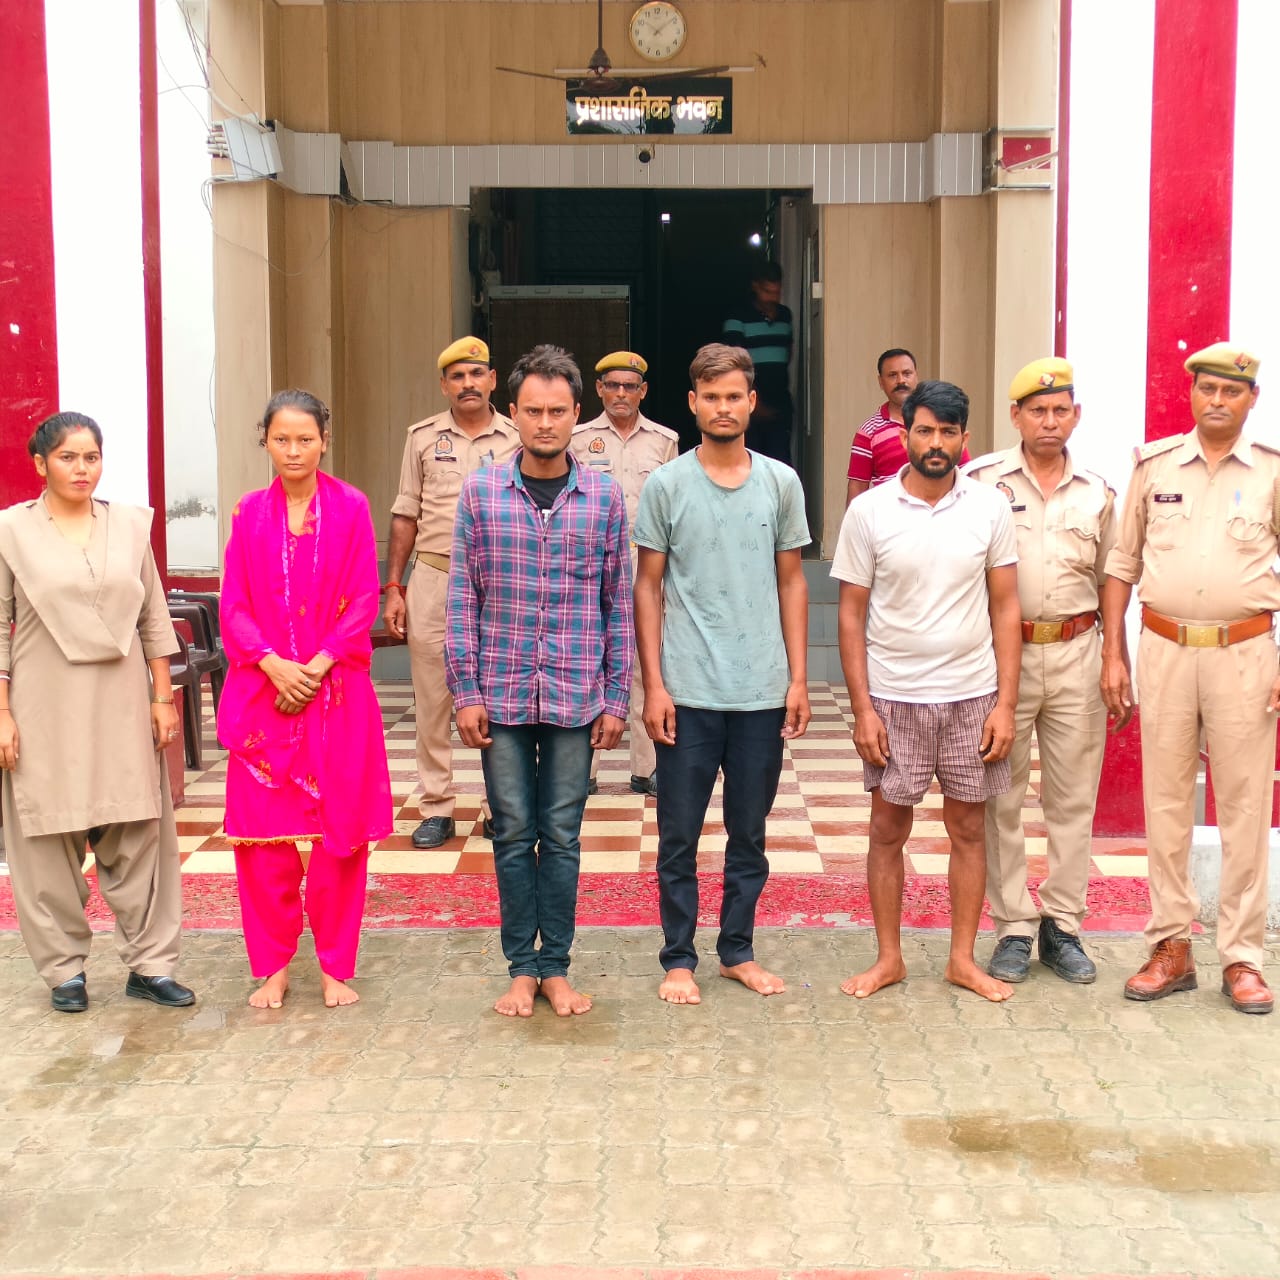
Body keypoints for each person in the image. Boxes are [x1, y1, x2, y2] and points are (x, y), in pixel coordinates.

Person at [446, 345, 633, 1018]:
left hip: (576, 695)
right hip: (499, 693)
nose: (545, 423)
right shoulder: (480, 492)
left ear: (577, 414)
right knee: (511, 832)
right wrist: (465, 692)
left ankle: (555, 967)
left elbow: (619, 603)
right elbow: (462, 598)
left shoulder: (604, 497)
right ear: (514, 413)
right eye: (533, 411)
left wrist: (617, 698)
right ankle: (520, 969)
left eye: (557, 411)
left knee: (561, 834)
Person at [1102, 342, 1278, 1015]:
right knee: (1166, 803)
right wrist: (1114, 653)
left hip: (1245, 652)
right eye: (1207, 388)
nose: (1217, 400)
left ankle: (1241, 957)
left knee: (1244, 808)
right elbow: (1122, 563)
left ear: (1251, 399)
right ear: (1192, 393)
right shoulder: (1154, 467)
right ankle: (1170, 947)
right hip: (1165, 649)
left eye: (1231, 391)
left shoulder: (1270, 471)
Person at [832, 379, 1021, 1003]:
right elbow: (851, 615)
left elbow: (1005, 606)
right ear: (904, 433)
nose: (935, 443)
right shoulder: (869, 511)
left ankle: (962, 960)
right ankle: (889, 958)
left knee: (969, 828)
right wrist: (863, 709)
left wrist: (1005, 705)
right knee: (887, 829)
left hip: (972, 696)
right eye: (924, 430)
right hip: (893, 699)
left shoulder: (990, 507)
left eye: (947, 432)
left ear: (965, 439)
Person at [634, 342, 811, 1005]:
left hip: (761, 690)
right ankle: (678, 959)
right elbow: (647, 587)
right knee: (677, 835)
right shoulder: (667, 485)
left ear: (752, 401)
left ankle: (737, 950)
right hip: (687, 691)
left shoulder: (780, 483)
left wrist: (797, 679)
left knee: (750, 833)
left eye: (734, 396)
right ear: (692, 403)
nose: (723, 407)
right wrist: (654, 684)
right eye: (711, 397)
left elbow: (792, 583)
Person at [0, 411, 194, 1013]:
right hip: (42, 702)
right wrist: (2, 712)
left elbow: (154, 619)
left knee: (138, 829)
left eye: (91, 457)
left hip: (121, 699)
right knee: (46, 831)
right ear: (41, 464)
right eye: (68, 458)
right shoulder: (10, 531)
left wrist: (161, 698)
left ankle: (151, 965)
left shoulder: (130, 526)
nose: (82, 469)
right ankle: (64, 970)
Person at [219, 390, 392, 1009]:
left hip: (335, 693)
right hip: (262, 696)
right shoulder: (248, 513)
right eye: (281, 439)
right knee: (263, 845)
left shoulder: (351, 507)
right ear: (265, 441)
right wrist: (271, 663)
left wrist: (315, 667)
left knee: (338, 841)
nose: (293, 450)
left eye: (305, 439)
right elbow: (234, 603)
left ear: (324, 441)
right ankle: (272, 966)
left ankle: (335, 966)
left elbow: (364, 597)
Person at [967, 358, 1116, 984]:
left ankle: (1063, 925)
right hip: (1003, 659)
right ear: (1016, 416)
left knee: (1073, 797)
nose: (1049, 421)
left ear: (1075, 415)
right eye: (1037, 410)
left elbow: (1112, 579)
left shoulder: (1098, 492)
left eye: (1060, 410)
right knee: (999, 793)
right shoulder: (982, 484)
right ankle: (1012, 924)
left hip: (1078, 652)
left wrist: (1115, 655)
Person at [384, 337, 520, 850]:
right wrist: (394, 587)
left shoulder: (517, 437)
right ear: (444, 385)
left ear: (492, 380)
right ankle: (437, 806)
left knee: (500, 695)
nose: (468, 383)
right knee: (432, 697)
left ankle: (498, 806)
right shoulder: (422, 438)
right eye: (457, 376)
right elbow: (406, 513)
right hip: (435, 576)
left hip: (500, 582)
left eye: (476, 374)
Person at [570, 350, 678, 798]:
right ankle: (581, 769)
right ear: (599, 389)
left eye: (629, 386)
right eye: (612, 385)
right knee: (585, 661)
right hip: (589, 561)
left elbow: (673, 507)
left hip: (644, 561)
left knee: (645, 660)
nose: (620, 393)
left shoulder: (664, 441)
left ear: (643, 391)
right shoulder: (578, 438)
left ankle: (646, 768)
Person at [847, 349, 970, 505]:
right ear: (881, 382)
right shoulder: (868, 432)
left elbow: (966, 473)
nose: (901, 381)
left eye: (907, 374)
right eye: (892, 375)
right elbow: (857, 487)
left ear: (916, 376)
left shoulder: (943, 424)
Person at [722, 261, 795, 466]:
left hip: (779, 402)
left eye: (776, 292)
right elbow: (733, 363)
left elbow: (787, 353)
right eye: (767, 292)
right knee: (748, 461)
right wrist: (753, 400)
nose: (772, 298)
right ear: (755, 286)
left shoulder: (785, 316)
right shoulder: (738, 316)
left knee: (779, 463)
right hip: (749, 403)